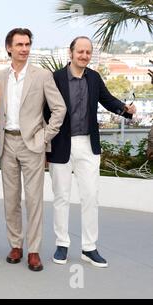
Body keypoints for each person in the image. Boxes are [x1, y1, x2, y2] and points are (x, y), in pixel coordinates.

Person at [45, 36, 136, 268]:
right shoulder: (55, 78)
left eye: (88, 52)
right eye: (80, 51)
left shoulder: (94, 78)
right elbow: (45, 111)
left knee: (90, 197)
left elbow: (107, 100)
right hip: (61, 145)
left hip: (88, 144)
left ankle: (89, 247)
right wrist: (44, 145)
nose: (84, 55)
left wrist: (126, 110)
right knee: (61, 197)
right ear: (71, 52)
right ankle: (62, 244)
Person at [0, 28, 66, 272]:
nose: (24, 49)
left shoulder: (42, 76)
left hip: (32, 144)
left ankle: (34, 250)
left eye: (27, 44)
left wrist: (44, 137)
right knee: (11, 200)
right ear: (9, 48)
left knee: (34, 200)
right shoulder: (0, 77)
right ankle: (16, 245)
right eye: (20, 44)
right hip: (7, 143)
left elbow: (59, 109)